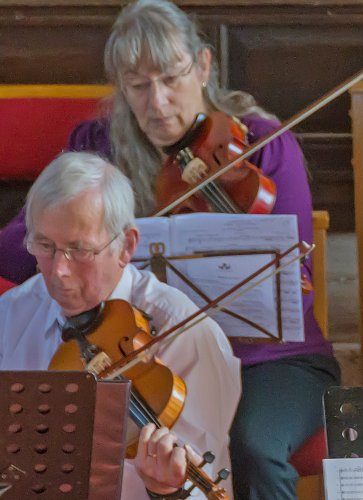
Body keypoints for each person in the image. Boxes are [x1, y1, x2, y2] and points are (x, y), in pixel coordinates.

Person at [0, 2, 338, 496]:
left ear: (203, 67)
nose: (157, 102)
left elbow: (297, 289)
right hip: (143, 352)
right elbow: (19, 248)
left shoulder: (259, 144)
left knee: (254, 444)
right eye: (138, 85)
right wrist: (71, 239)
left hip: (269, 358)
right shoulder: (100, 146)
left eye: (170, 79)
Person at [0, 152, 241, 499]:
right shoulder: (13, 312)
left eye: (79, 250)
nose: (58, 271)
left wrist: (164, 488)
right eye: (45, 246)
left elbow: (201, 489)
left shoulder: (185, 333)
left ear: (126, 246)